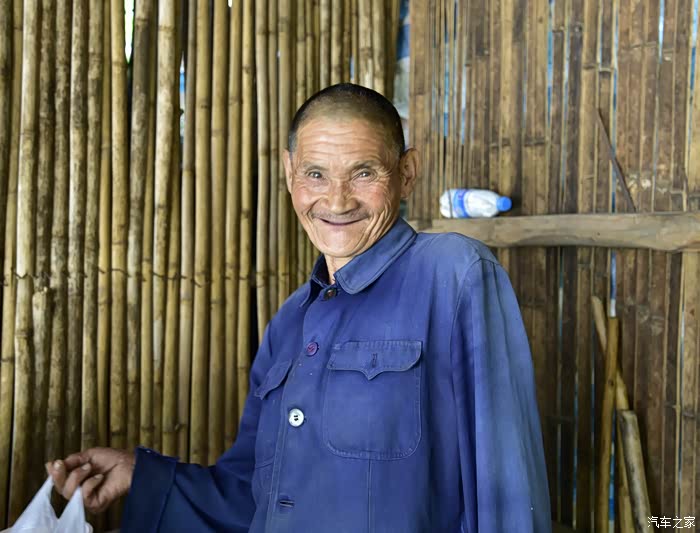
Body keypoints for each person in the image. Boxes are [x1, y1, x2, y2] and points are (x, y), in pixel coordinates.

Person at [47, 83, 551, 532]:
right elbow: (252, 497)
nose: (337, 201)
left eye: (363, 173)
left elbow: (506, 491)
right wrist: (141, 474)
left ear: (407, 173)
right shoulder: (290, 322)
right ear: (290, 174)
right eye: (315, 174)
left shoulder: (455, 275)